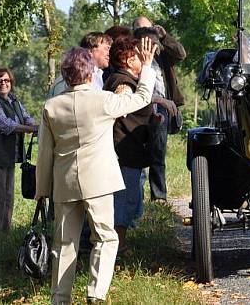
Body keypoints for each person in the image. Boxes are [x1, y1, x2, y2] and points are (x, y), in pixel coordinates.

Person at [35, 40, 157, 305]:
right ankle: (96, 294)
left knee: (64, 245)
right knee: (105, 237)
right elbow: (142, 98)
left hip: (65, 183)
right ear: (90, 74)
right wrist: (146, 66)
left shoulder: (51, 107)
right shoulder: (103, 100)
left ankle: (59, 299)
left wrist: (42, 190)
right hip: (99, 182)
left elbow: (44, 153)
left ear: (66, 75)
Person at [104, 37, 165, 250]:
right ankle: (118, 247)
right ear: (130, 60)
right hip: (124, 152)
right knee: (122, 202)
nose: (143, 60)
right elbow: (123, 104)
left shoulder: (124, 79)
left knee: (130, 201)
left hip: (129, 152)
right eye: (139, 57)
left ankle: (118, 245)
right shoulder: (122, 83)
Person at [132, 16, 186, 203]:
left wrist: (164, 37)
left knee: (157, 152)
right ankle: (135, 196)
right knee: (135, 153)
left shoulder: (162, 54)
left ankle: (159, 197)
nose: (146, 35)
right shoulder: (132, 56)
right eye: (140, 31)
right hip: (137, 109)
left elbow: (180, 54)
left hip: (161, 109)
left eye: (149, 30)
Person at [0, 67, 37, 231]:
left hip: (8, 156)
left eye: (6, 80)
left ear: (11, 83)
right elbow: (5, 125)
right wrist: (32, 129)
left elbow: (26, 117)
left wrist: (37, 126)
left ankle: (4, 233)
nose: (3, 83)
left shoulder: (13, 100)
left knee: (8, 197)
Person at [48, 32, 112, 97]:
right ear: (90, 50)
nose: (109, 53)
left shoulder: (98, 74)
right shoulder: (71, 77)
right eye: (107, 48)